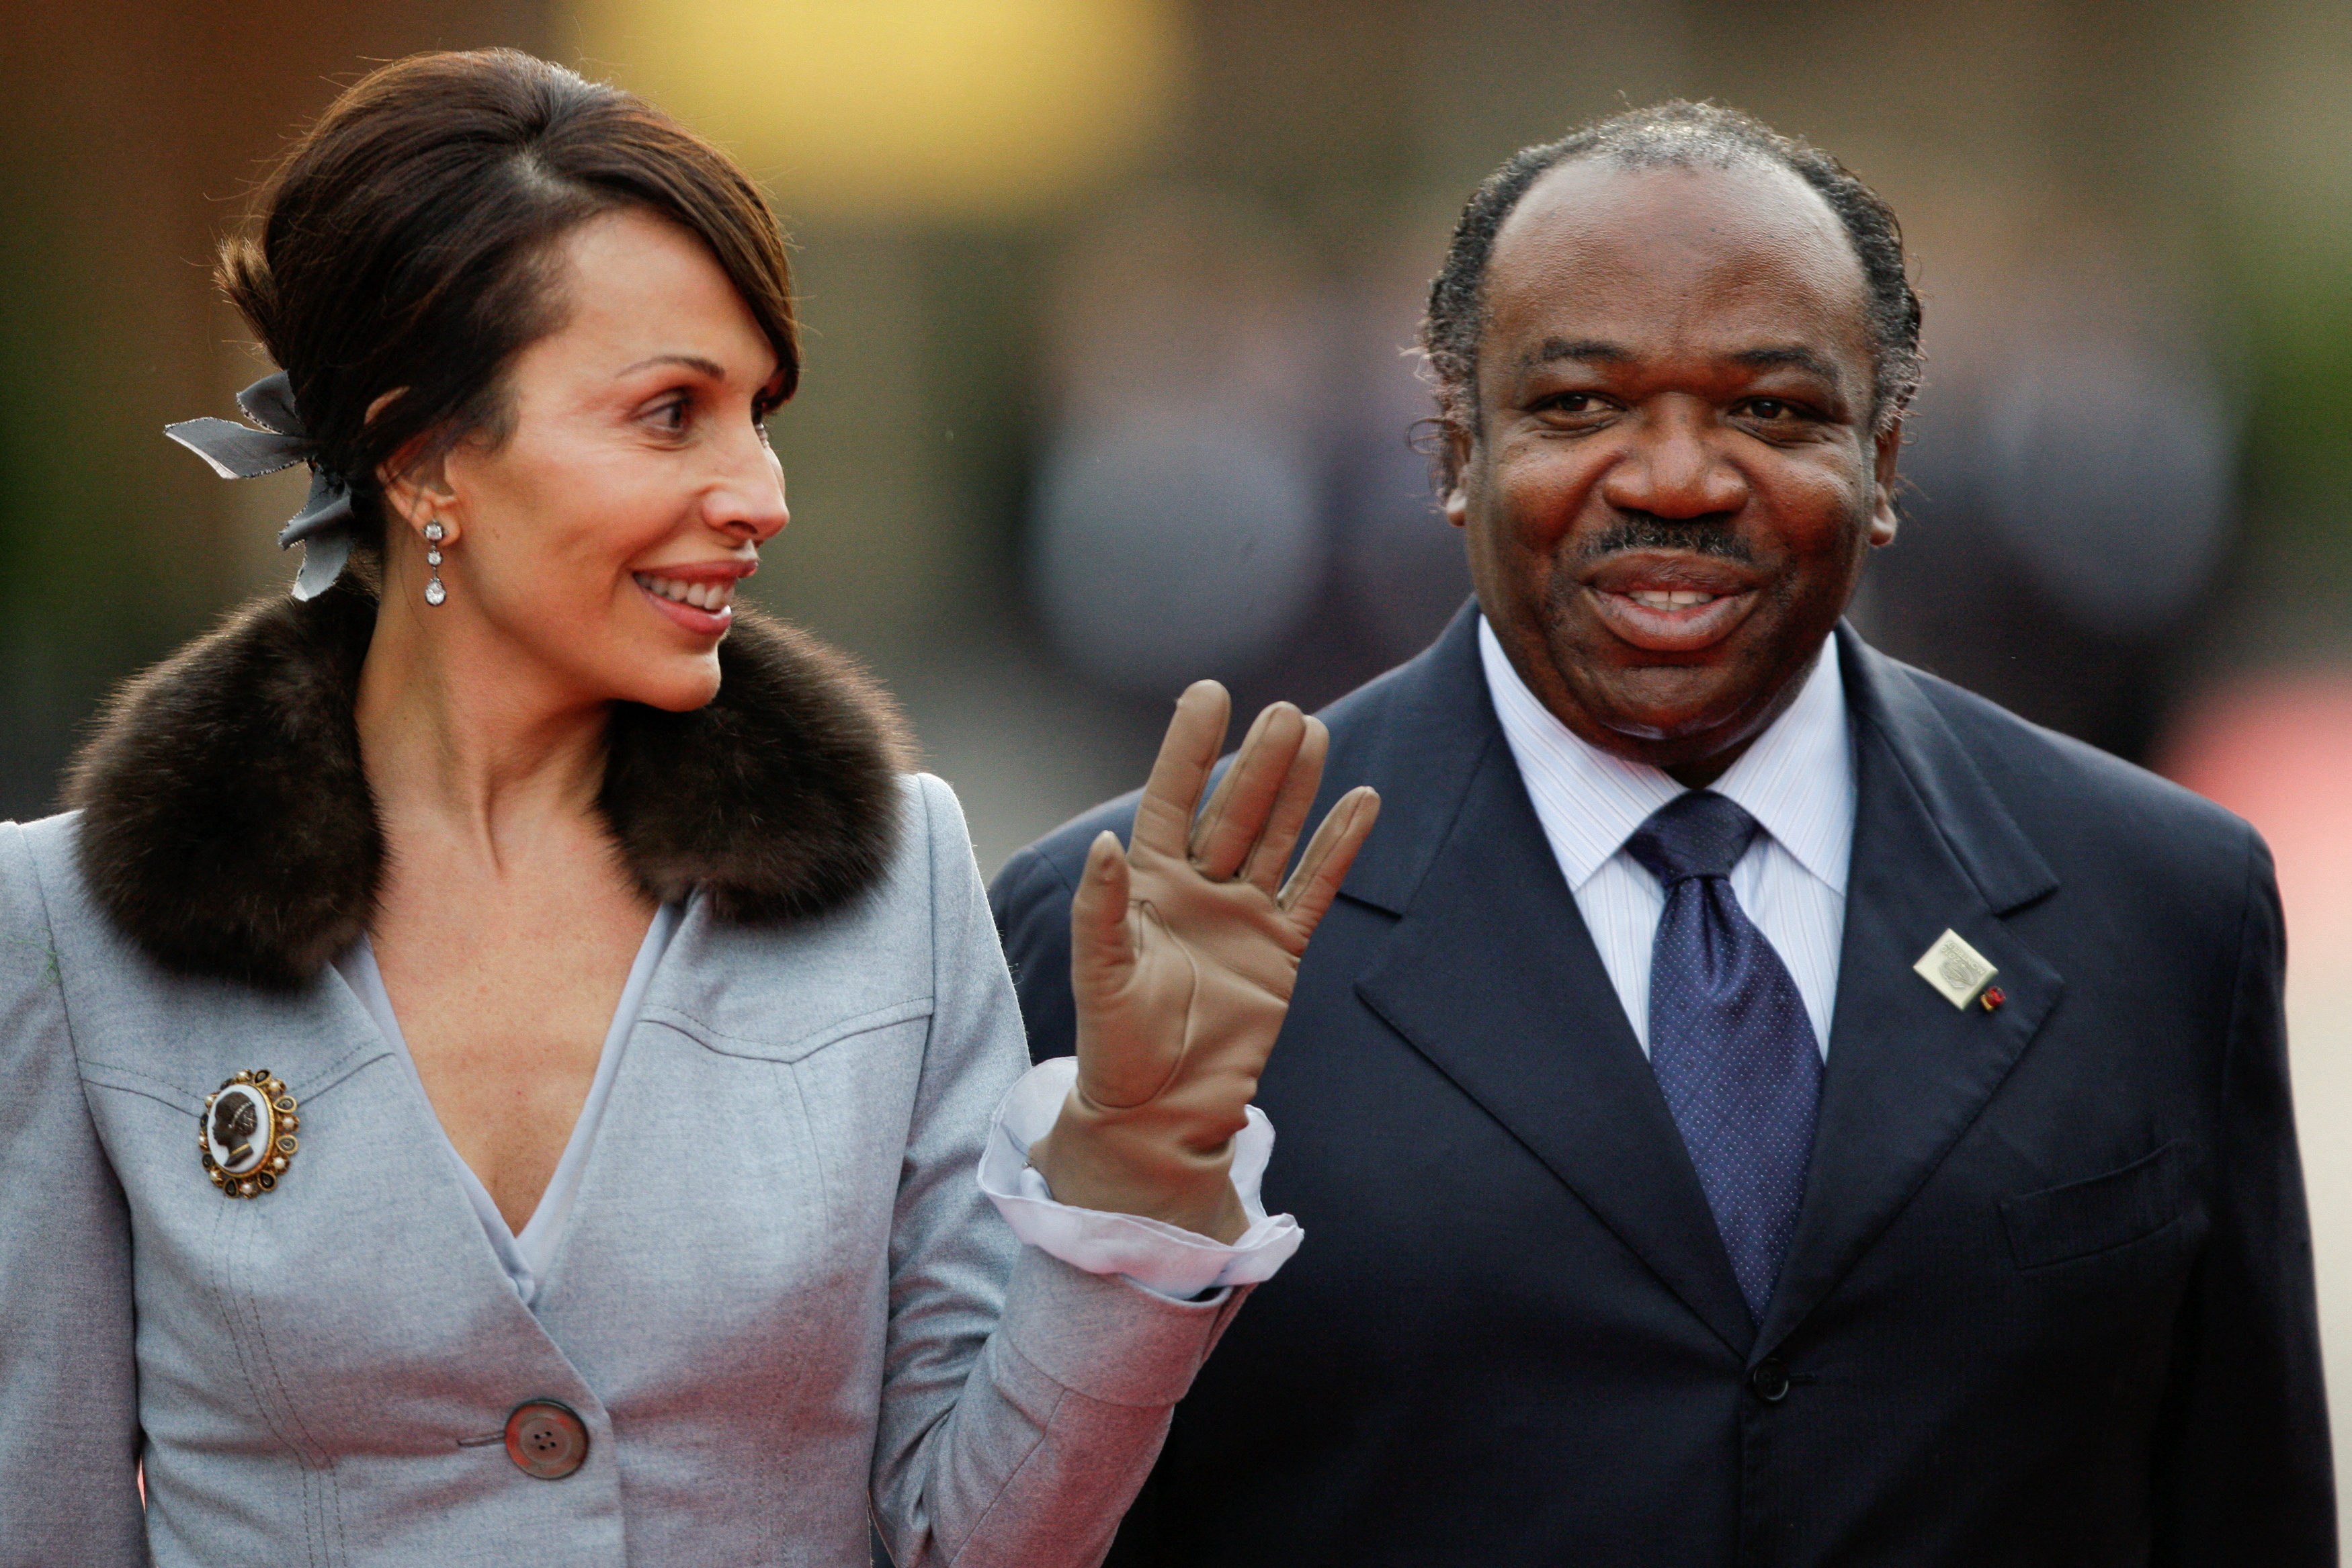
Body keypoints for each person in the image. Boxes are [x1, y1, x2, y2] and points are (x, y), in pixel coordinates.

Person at [0, 50, 1378, 1567]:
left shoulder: (898, 882)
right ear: (421, 455)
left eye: (758, 414)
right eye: (671, 414)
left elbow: (977, 1541)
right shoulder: (72, 924)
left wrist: (1140, 1156)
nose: (761, 493)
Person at [991, 101, 2335, 1565]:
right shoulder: (1135, 931)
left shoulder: (2161, 901)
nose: (1677, 479)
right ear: (1454, 453)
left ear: (1885, 460)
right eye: (1580, 406)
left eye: (1772, 411)